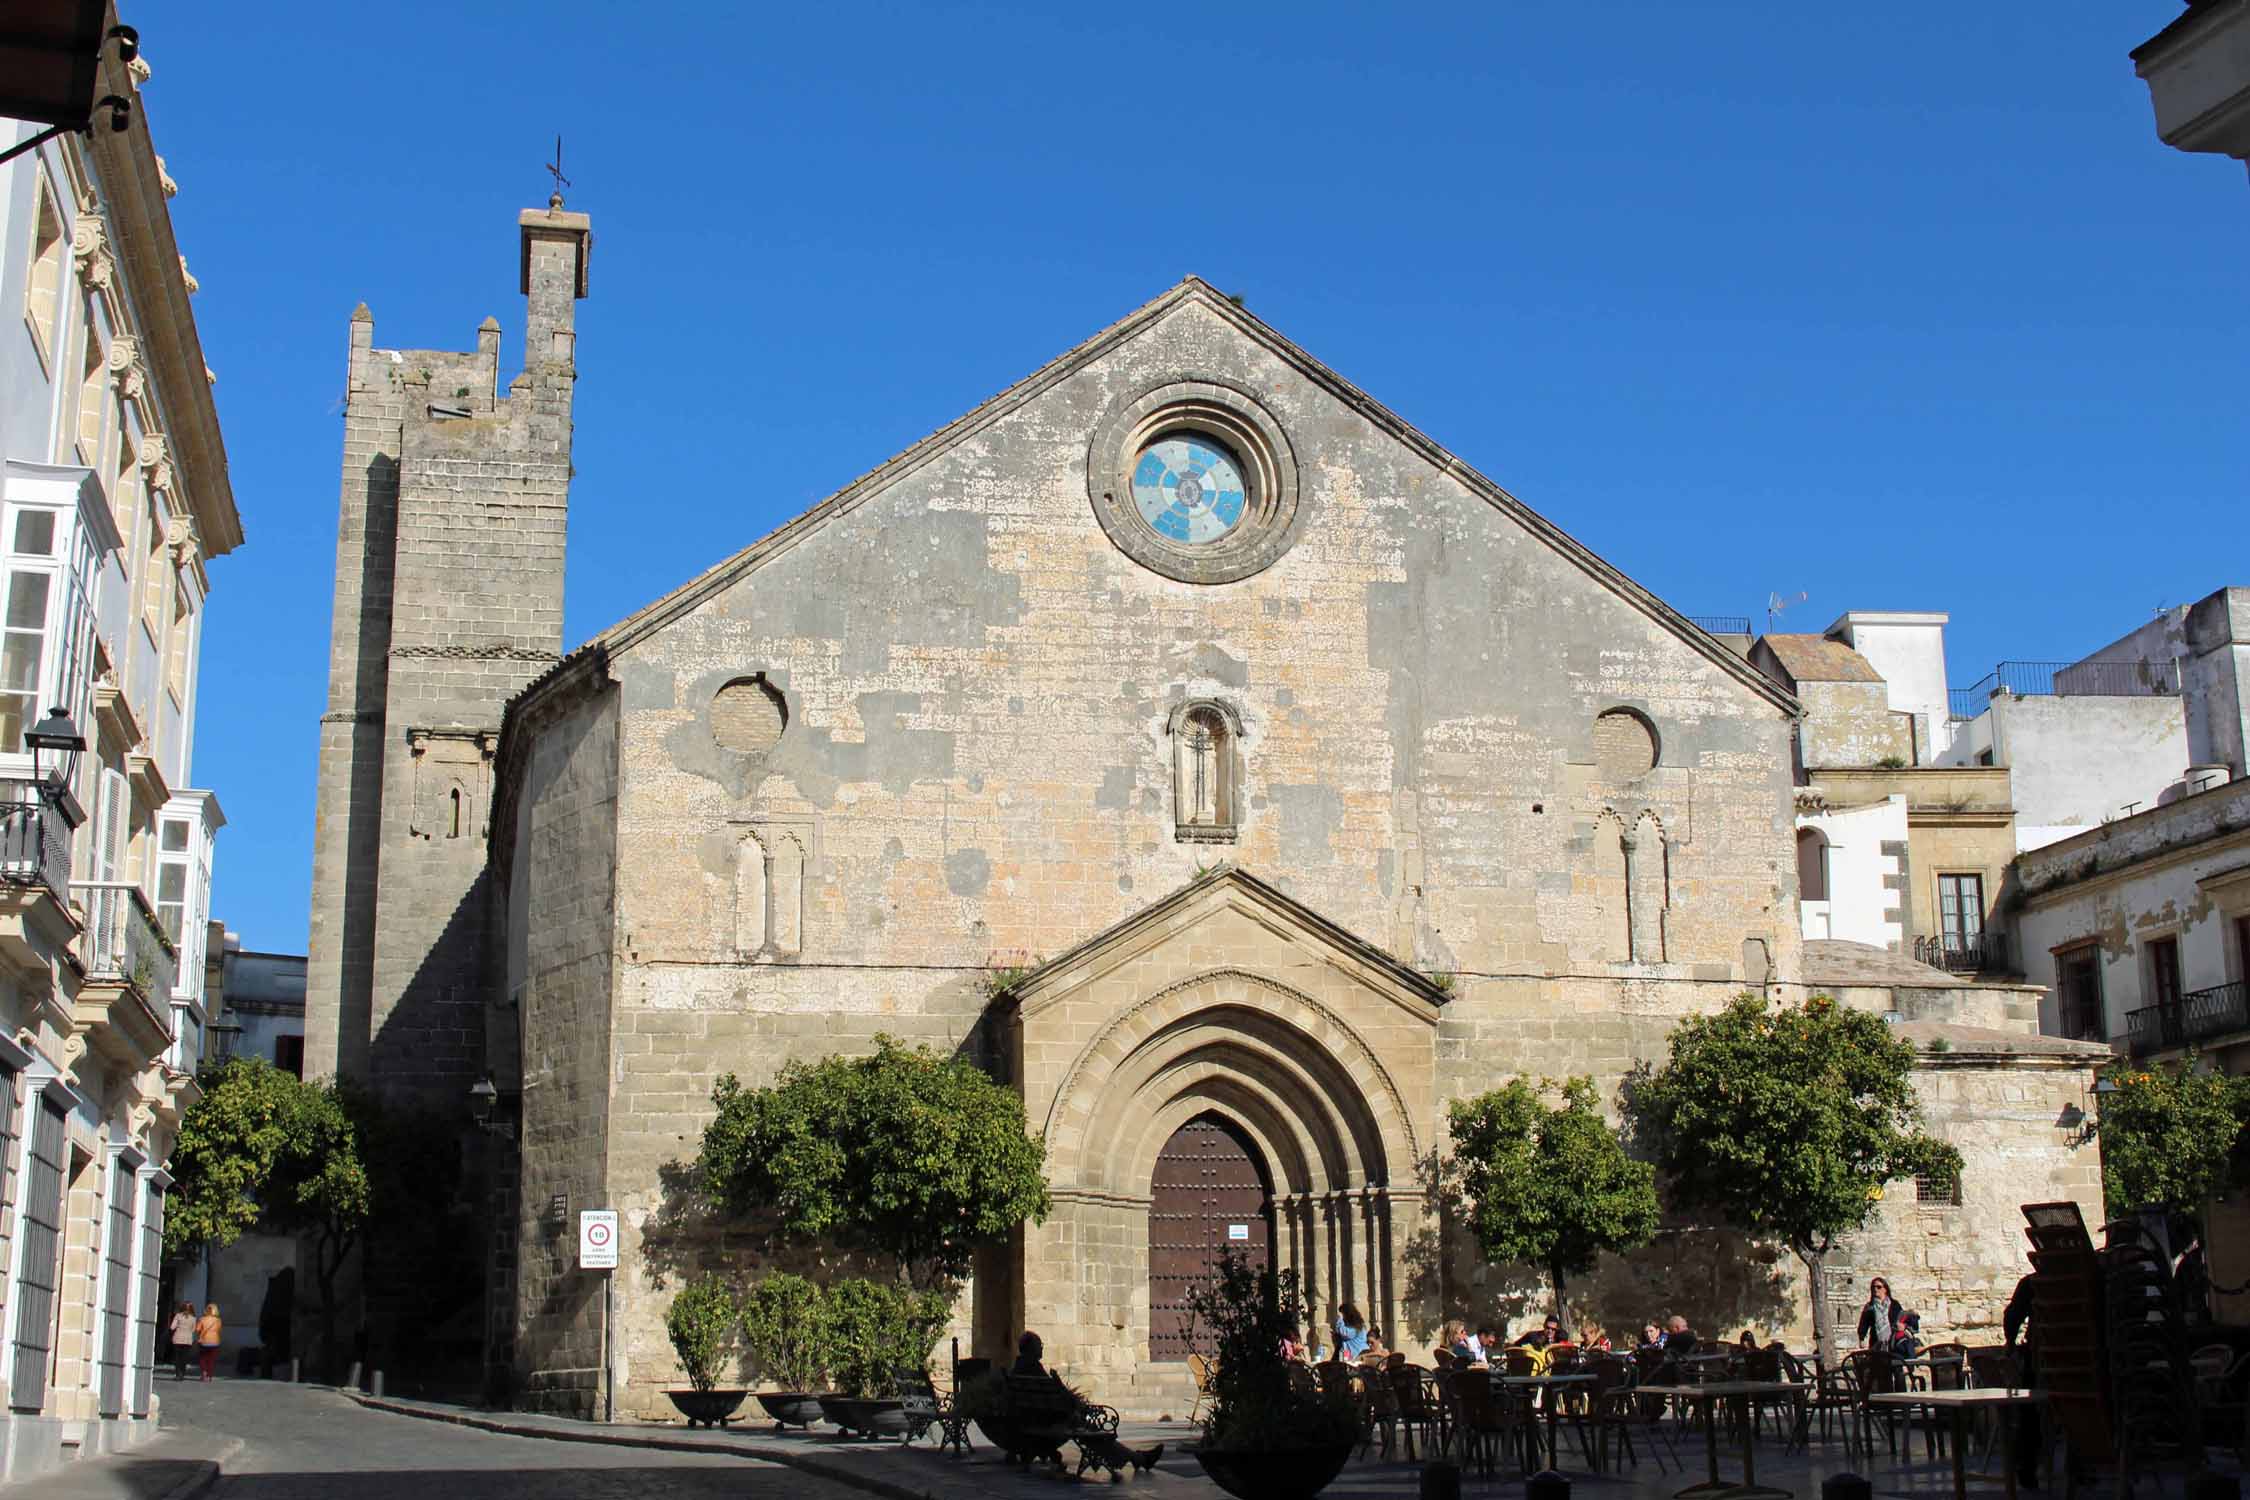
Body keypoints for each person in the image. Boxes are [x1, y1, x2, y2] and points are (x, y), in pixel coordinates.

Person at [1857, 1276, 1901, 1350]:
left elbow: (1902, 1318)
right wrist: (1862, 1338)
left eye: (1879, 1287)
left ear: (1885, 1289)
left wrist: (1903, 1326)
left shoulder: (1894, 1304)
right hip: (1876, 1343)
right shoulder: (1869, 1306)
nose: (1875, 1289)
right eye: (1873, 1287)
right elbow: (1863, 1324)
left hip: (1893, 1342)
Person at [194, 1303, 223, 1382]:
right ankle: (209, 1376)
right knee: (211, 1359)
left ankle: (204, 1373)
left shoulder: (202, 1319)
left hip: (204, 1341)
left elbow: (197, 1329)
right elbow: (219, 1330)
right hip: (215, 1341)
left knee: (203, 1358)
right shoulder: (218, 1320)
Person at [168, 1301, 196, 1380]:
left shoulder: (178, 1316)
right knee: (184, 1358)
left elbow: (172, 1327)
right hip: (187, 1340)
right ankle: (182, 1374)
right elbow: (193, 1329)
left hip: (177, 1339)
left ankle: (177, 1374)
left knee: (177, 1358)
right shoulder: (193, 1318)